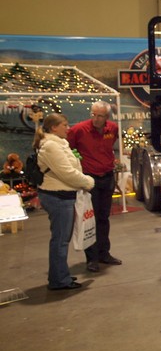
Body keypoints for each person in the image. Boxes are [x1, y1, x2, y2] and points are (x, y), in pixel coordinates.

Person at [35, 113, 95, 290]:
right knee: (60, 240)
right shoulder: (52, 146)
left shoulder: (57, 144)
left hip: (62, 196)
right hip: (58, 197)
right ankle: (59, 280)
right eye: (65, 125)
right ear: (54, 127)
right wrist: (88, 182)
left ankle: (60, 275)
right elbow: (66, 173)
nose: (68, 128)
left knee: (61, 239)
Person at [67, 101, 121, 272]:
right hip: (89, 180)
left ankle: (105, 253)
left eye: (100, 116)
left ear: (107, 117)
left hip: (107, 177)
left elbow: (112, 145)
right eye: (93, 114)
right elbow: (68, 150)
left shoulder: (112, 128)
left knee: (104, 217)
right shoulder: (78, 130)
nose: (96, 119)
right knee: (90, 218)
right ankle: (91, 258)